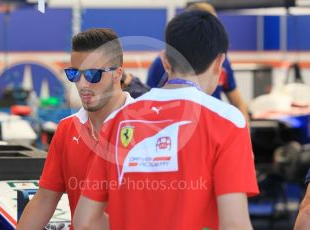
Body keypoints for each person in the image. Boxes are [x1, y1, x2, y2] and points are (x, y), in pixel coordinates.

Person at [74, 10, 259, 230]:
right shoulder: (229, 122)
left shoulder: (116, 121)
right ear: (220, 62)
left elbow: (85, 222)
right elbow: (235, 224)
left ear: (164, 59)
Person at [17, 28, 134, 230]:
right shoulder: (67, 129)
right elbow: (45, 199)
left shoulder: (147, 128)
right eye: (74, 74)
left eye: (92, 74)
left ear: (118, 74)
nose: (82, 84)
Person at [146, 2, 249, 123]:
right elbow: (149, 106)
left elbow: (238, 102)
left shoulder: (224, 63)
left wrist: (246, 132)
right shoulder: (161, 64)